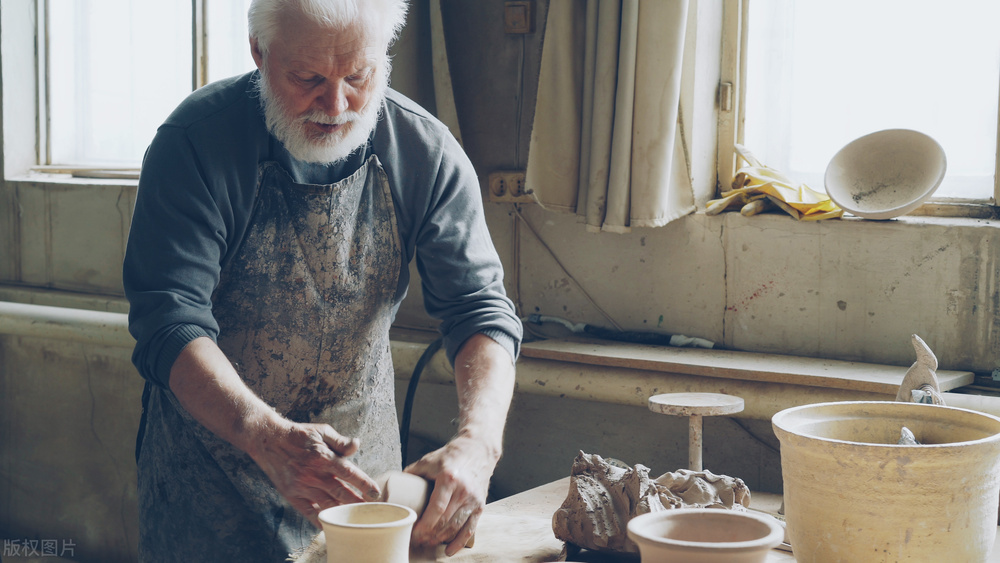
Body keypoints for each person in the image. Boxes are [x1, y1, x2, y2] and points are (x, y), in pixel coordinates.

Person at [122, 0, 522, 560]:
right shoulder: (193, 145)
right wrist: (266, 436)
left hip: (363, 492)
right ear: (259, 52)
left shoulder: (424, 152)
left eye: (358, 77)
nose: (336, 106)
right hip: (210, 489)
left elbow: (479, 309)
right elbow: (168, 322)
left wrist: (479, 444)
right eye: (307, 78)